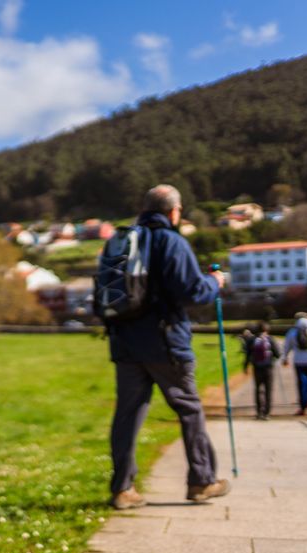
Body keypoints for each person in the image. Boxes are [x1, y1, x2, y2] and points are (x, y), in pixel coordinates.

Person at [106, 184, 230, 510]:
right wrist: (214, 284)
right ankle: (202, 480)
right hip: (165, 342)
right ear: (174, 211)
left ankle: (122, 489)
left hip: (125, 342)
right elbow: (191, 292)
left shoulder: (122, 242)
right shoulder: (171, 242)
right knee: (189, 409)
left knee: (128, 415)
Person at [246, 322, 282, 420]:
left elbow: (247, 355)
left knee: (258, 389)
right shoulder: (270, 339)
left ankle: (258, 412)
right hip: (268, 368)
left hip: (257, 368)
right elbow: (278, 354)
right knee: (268, 390)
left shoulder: (252, 340)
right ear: (267, 330)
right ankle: (267, 413)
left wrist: (245, 367)